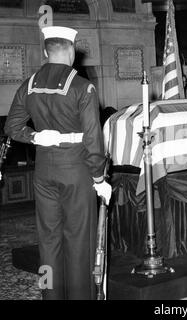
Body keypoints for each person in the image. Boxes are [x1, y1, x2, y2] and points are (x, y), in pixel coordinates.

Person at [4, 26, 112, 300]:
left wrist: (36, 136)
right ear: (72, 52)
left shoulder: (28, 85)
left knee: (48, 242)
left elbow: (12, 127)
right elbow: (92, 139)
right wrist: (99, 179)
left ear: (45, 52)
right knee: (79, 242)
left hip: (43, 172)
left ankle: (49, 296)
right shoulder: (82, 87)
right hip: (76, 171)